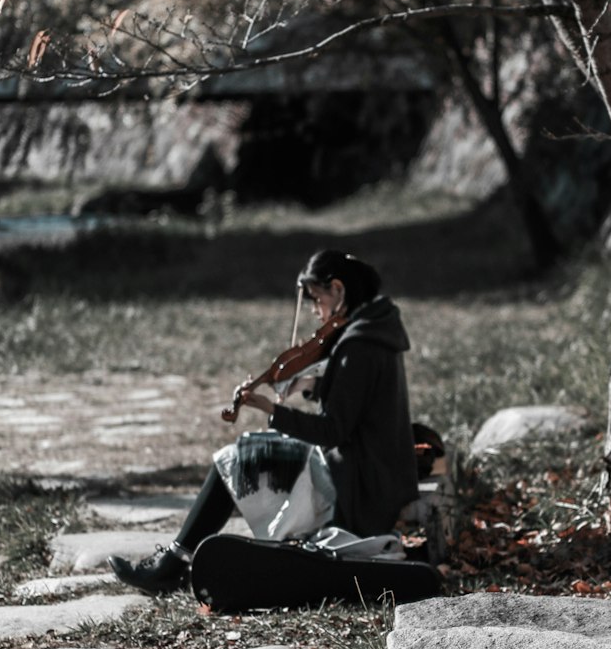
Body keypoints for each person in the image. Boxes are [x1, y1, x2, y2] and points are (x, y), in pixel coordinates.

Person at [108, 249, 419, 595]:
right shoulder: (376, 329)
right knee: (244, 451)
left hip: (360, 488)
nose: (316, 312)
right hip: (372, 472)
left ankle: (172, 564)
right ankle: (175, 561)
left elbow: (333, 430)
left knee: (240, 459)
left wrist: (270, 409)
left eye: (317, 300)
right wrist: (313, 385)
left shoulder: (359, 345)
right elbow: (360, 403)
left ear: (339, 289)